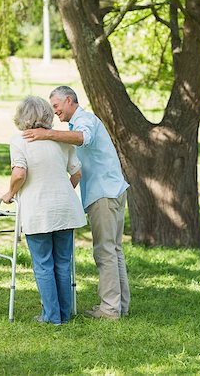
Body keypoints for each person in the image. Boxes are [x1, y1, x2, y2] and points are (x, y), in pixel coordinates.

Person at [23, 86, 130, 320]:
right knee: (114, 250)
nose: (55, 112)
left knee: (105, 252)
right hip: (110, 190)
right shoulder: (76, 124)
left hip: (104, 193)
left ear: (69, 100)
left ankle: (110, 309)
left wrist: (46, 134)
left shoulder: (85, 120)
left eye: (57, 106)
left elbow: (82, 139)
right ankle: (119, 305)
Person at [2, 95, 86, 326]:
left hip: (38, 210)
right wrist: (61, 192)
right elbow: (77, 174)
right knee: (62, 262)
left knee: (43, 263)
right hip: (65, 209)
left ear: (22, 117)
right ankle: (64, 314)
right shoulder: (61, 140)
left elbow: (19, 174)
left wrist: (9, 193)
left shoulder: (19, 141)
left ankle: (51, 317)